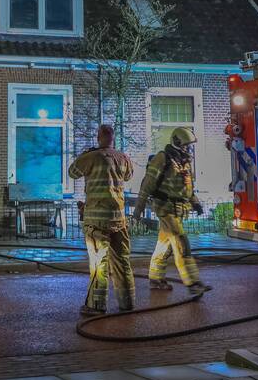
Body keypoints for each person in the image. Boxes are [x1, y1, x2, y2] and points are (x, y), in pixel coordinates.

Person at [68, 124, 136, 316]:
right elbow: (129, 176)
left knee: (99, 264)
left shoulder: (91, 157)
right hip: (119, 220)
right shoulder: (123, 158)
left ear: (98, 136)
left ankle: (96, 306)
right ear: (113, 138)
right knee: (122, 262)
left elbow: (72, 172)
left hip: (97, 221)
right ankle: (127, 303)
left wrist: (86, 154)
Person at [133, 127, 210, 295]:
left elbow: (188, 187)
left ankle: (155, 278)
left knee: (164, 244)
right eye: (186, 145)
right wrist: (137, 212)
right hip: (165, 208)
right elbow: (147, 186)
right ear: (177, 142)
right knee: (181, 241)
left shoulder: (184, 161)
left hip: (179, 209)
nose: (189, 149)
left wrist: (195, 202)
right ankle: (193, 282)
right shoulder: (163, 158)